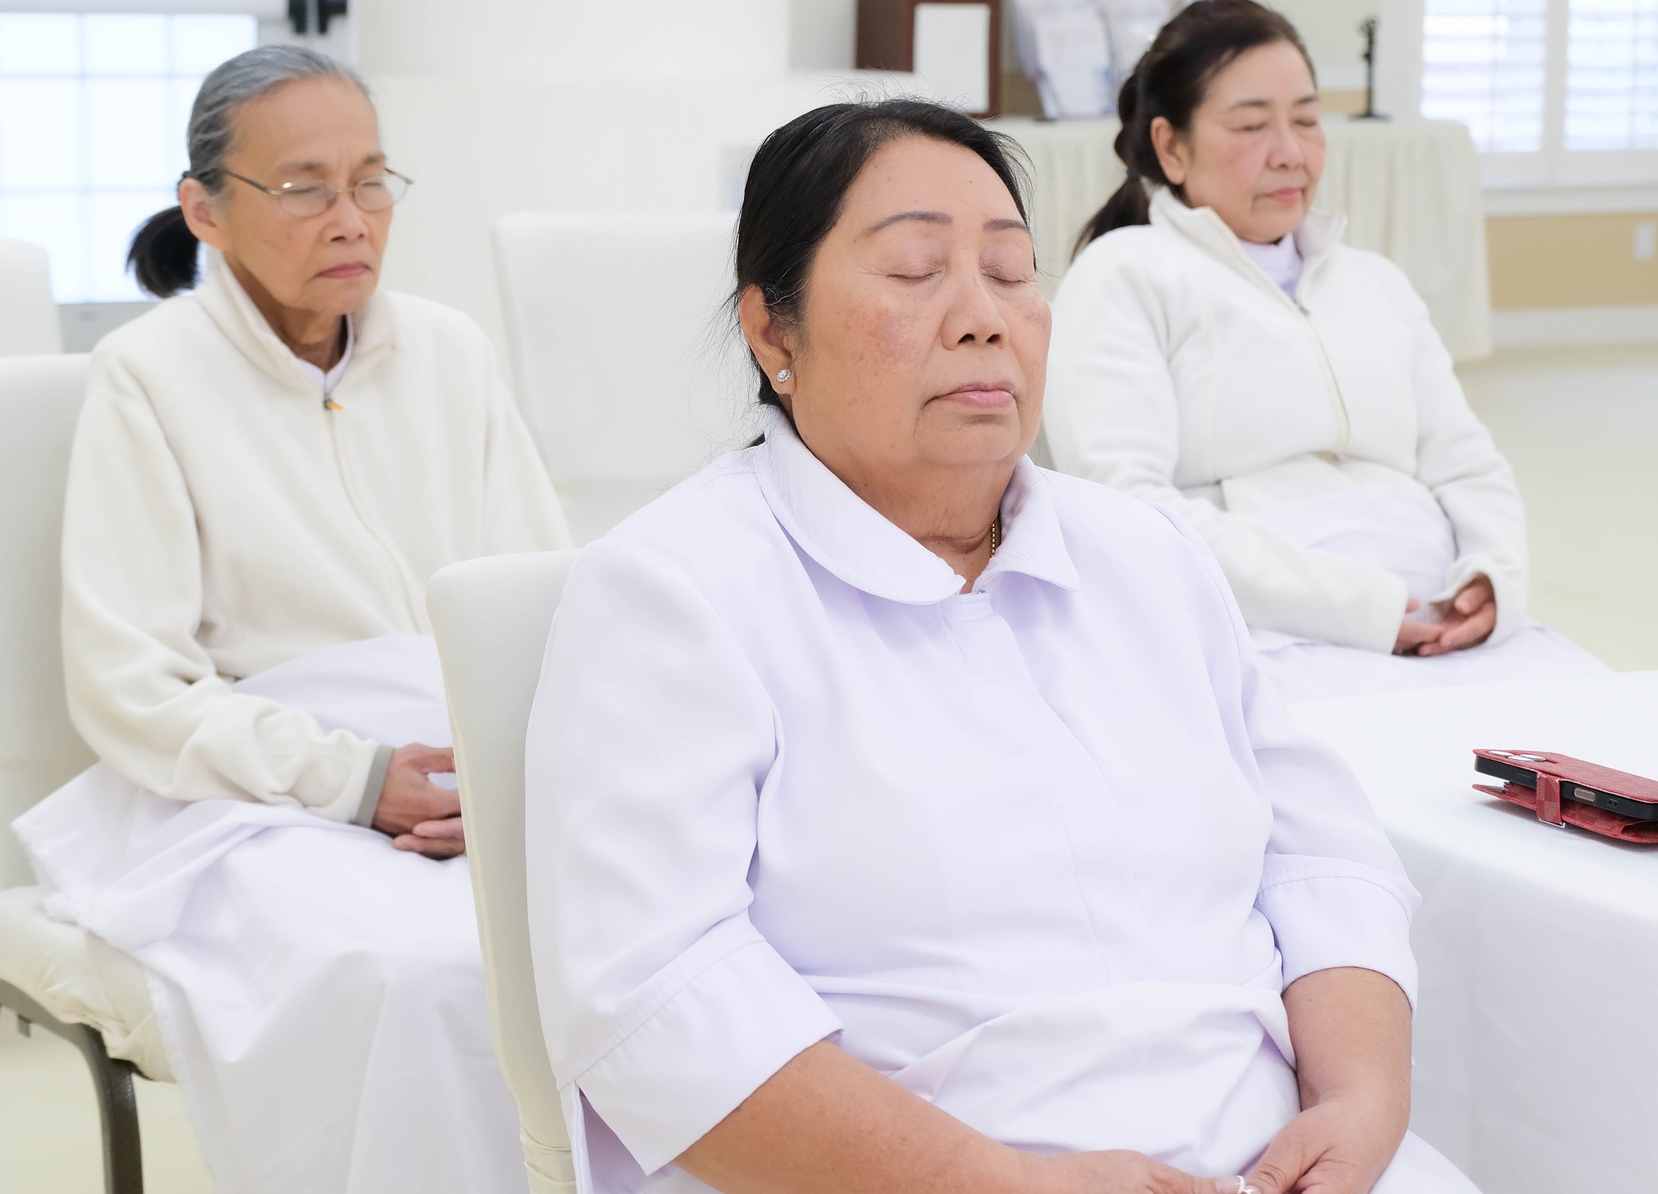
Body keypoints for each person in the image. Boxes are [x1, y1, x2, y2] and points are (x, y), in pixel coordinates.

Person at [526, 99, 1478, 1194]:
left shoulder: (1145, 552)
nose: (983, 317)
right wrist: (999, 1183)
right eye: (914, 270)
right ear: (773, 332)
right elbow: (657, 997)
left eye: (1012, 271)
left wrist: (1360, 1100)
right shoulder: (675, 591)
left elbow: (1318, 856)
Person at [16, 45, 569, 1194]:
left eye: (370, 181)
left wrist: (509, 773)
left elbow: (541, 601)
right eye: (305, 188)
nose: (351, 218)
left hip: (470, 779)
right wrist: (359, 782)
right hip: (252, 796)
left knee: (639, 931)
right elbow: (130, 686)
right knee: (421, 971)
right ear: (205, 211)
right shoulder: (146, 375)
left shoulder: (450, 352)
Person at [1042, 0, 1602, 702]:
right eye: (1252, 125)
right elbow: (1130, 507)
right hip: (1262, 625)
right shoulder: (1123, 275)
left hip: (1439, 610)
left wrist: (1492, 579)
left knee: (1604, 736)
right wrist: (1366, 608)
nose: (1291, 152)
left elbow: (1465, 462)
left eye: (1307, 120)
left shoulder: (1375, 281)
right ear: (1171, 147)